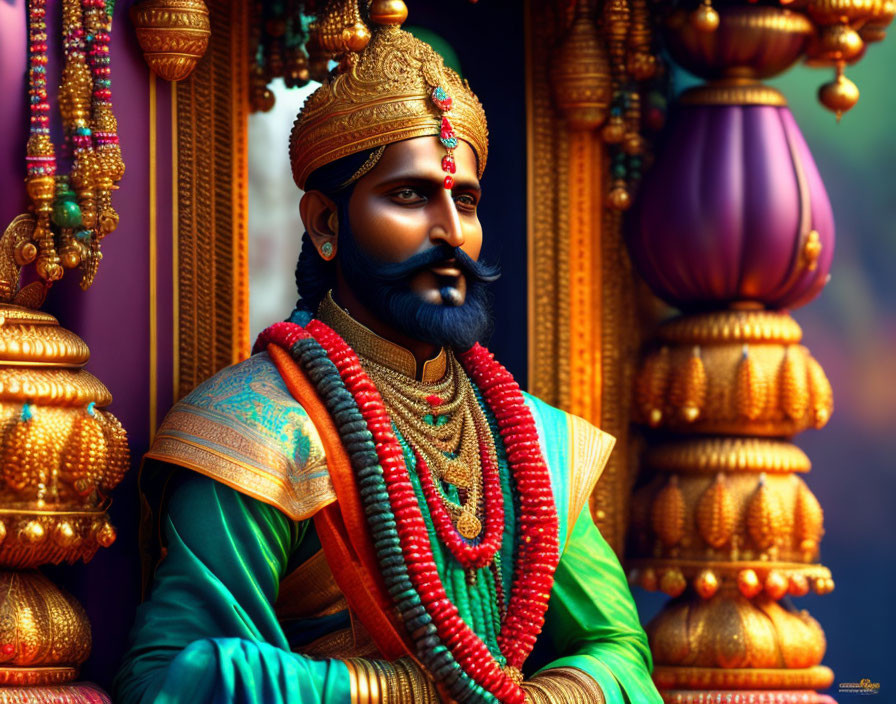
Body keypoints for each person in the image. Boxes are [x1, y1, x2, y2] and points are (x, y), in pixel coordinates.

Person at [114, 16, 661, 704]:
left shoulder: (535, 445)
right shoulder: (256, 432)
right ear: (326, 224)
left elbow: (619, 654)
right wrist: (397, 693)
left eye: (464, 199)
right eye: (410, 195)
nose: (450, 230)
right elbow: (170, 681)